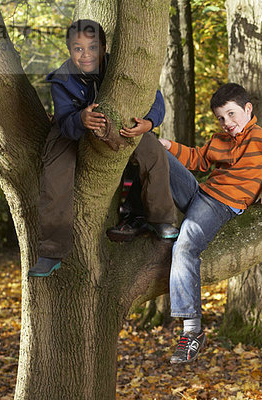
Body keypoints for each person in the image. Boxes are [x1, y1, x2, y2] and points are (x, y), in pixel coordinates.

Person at [159, 83, 262, 363]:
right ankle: (140, 217)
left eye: (232, 114)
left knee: (184, 247)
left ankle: (192, 331)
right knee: (154, 153)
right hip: (199, 193)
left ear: (248, 109)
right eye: (221, 118)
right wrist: (165, 145)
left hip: (221, 205)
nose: (227, 123)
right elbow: (198, 160)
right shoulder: (219, 140)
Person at [29, 19, 178, 277]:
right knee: (55, 176)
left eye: (92, 47)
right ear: (69, 50)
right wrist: (80, 119)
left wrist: (150, 122)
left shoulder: (121, 68)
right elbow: (64, 121)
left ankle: (160, 219)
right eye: (78, 49)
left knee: (153, 152)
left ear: (105, 46)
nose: (85, 55)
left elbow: (154, 96)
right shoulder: (62, 80)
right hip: (69, 130)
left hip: (121, 124)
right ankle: (51, 250)